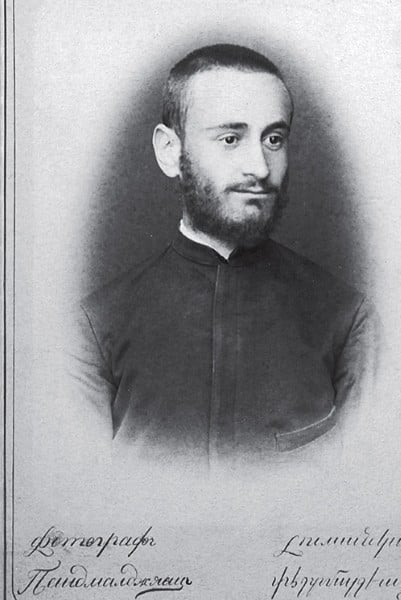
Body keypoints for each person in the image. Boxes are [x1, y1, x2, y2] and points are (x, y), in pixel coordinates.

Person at [71, 44, 378, 468]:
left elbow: (366, 485)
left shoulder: (348, 319)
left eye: (273, 139)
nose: (260, 168)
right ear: (169, 151)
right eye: (230, 138)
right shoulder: (94, 327)